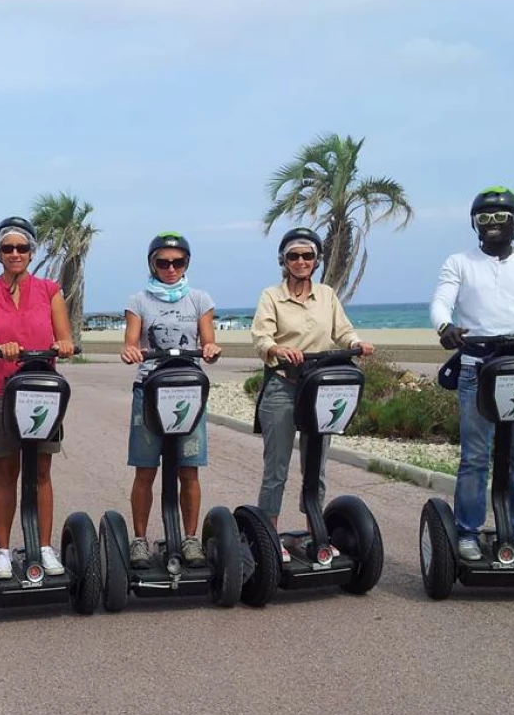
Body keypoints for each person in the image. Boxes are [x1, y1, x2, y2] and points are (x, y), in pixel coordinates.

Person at [430, 186, 514, 562]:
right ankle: (467, 532)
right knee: (475, 457)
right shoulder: (459, 262)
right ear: (475, 223)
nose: (492, 224)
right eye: (484, 218)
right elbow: (442, 300)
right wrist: (445, 326)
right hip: (476, 368)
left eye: (500, 217)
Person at [250, 227, 375, 561]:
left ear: (316, 260)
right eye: (294, 256)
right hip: (283, 386)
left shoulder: (327, 295)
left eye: (307, 255)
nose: (301, 261)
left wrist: (356, 344)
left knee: (315, 467)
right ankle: (270, 535)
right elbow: (261, 336)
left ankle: (314, 531)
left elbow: (343, 330)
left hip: (318, 388)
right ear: (284, 260)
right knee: (276, 467)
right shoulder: (271, 296)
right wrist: (277, 348)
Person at [0, 216, 75, 579]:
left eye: (22, 247)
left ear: (32, 251)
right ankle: (1, 551)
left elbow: (66, 338)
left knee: (42, 471)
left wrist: (64, 345)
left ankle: (44, 548)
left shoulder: (49, 290)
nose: (15, 253)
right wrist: (1, 349)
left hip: (41, 391)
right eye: (7, 248)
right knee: (5, 472)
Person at [119, 232, 221, 568]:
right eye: (163, 262)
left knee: (189, 471)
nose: (170, 269)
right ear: (152, 264)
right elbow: (131, 341)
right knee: (145, 470)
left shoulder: (199, 300)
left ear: (186, 263)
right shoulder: (139, 301)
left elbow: (208, 343)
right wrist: (131, 350)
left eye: (177, 262)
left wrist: (211, 349)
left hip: (188, 390)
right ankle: (138, 540)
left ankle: (191, 539)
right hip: (149, 389)